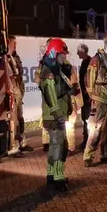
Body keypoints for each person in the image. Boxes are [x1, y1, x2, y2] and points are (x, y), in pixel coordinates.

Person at [39, 38, 73, 191]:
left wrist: (69, 106)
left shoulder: (56, 69)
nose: (65, 57)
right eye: (62, 54)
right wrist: (59, 115)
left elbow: (64, 91)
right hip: (54, 116)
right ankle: (58, 179)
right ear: (54, 53)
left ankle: (51, 176)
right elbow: (51, 97)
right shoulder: (49, 72)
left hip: (57, 115)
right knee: (59, 147)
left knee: (56, 147)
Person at [83, 39, 107, 166]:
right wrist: (92, 96)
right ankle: (88, 156)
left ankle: (106, 154)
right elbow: (89, 80)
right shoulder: (96, 60)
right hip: (99, 99)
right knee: (96, 129)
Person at [5, 36, 32, 155]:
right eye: (13, 43)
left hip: (19, 94)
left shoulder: (15, 58)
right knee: (14, 122)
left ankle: (22, 143)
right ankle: (14, 146)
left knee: (20, 120)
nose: (15, 46)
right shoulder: (5, 59)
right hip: (13, 95)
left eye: (16, 44)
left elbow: (19, 77)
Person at [34, 38, 52, 152]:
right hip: (47, 93)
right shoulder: (44, 61)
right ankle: (46, 142)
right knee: (46, 115)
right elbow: (37, 77)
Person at [77, 44, 92, 150]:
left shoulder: (90, 62)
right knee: (84, 118)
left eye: (79, 51)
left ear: (83, 52)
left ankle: (89, 140)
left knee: (87, 118)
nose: (77, 53)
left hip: (88, 96)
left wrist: (89, 94)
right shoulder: (84, 62)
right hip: (84, 95)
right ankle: (86, 139)